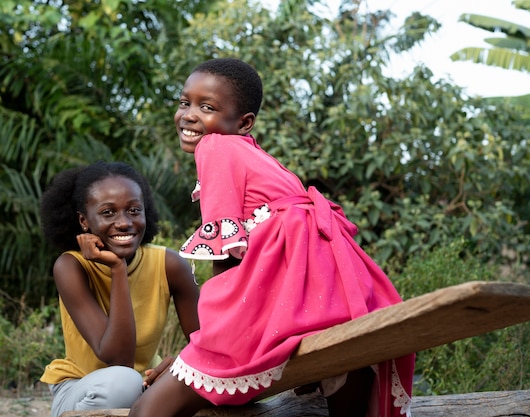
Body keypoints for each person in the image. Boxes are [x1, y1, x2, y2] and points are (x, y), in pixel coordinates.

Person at [129, 58, 415, 417]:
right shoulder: (261, 157)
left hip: (279, 301)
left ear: (244, 121)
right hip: (331, 299)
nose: (189, 115)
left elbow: (227, 249)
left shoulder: (215, 146)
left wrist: (208, 345)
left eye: (207, 107)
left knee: (146, 412)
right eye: (185, 103)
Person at [39, 161, 200, 417]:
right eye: (108, 213)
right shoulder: (71, 266)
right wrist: (118, 269)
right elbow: (117, 358)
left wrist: (180, 365)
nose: (124, 222)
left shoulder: (169, 264)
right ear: (84, 221)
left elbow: (208, 344)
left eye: (134, 210)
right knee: (123, 382)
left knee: (201, 379)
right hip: (85, 390)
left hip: (147, 387)